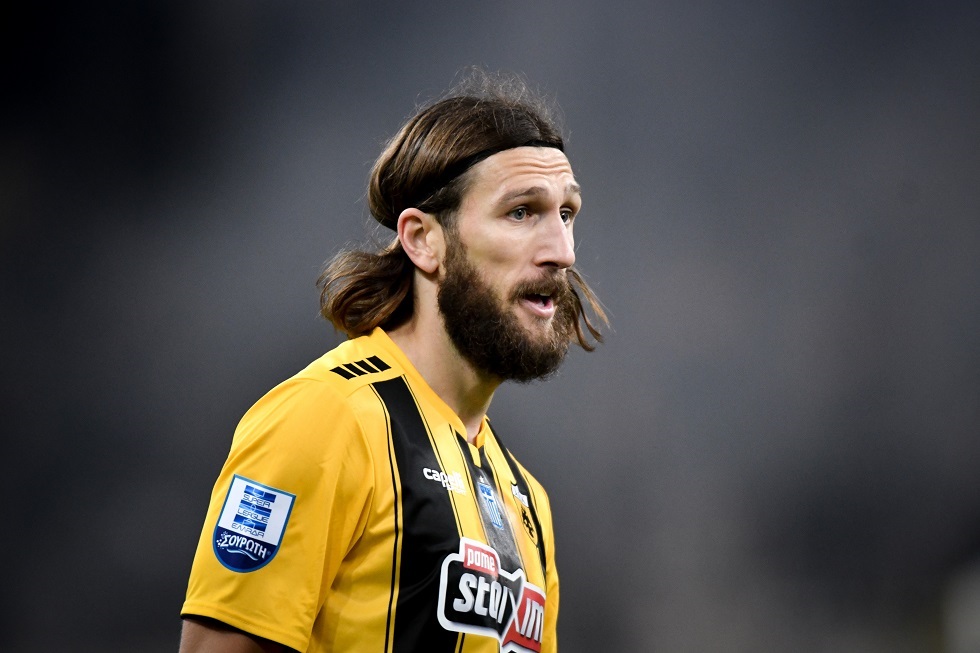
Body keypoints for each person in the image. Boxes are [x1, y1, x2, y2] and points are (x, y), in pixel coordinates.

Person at [179, 73, 606, 653]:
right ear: (423, 239)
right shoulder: (326, 419)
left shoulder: (526, 500)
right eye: (521, 212)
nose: (563, 251)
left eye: (567, 214)